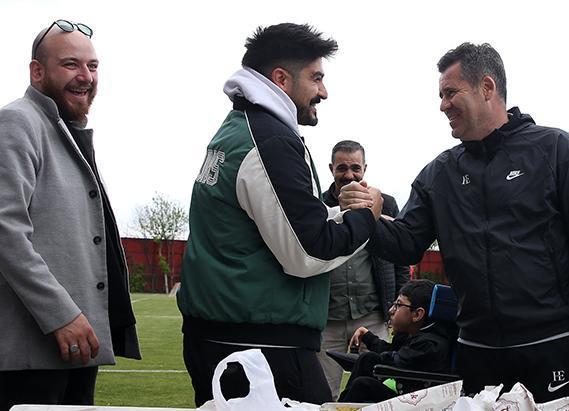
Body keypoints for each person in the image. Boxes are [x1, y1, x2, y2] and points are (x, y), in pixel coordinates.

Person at [340, 42, 569, 402]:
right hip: (477, 350)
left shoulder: (554, 148)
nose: (443, 105)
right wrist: (367, 217)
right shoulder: (440, 172)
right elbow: (406, 243)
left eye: (450, 93)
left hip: (550, 343)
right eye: (441, 96)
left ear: (487, 87)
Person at [176, 23, 382, 406]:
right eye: (316, 78)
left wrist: (338, 214)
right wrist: (366, 216)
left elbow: (279, 226)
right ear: (281, 79)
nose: (323, 91)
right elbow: (308, 251)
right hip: (261, 348)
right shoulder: (269, 139)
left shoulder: (238, 129)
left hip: (227, 336)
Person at [0, 20, 140, 411]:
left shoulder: (61, 128)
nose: (86, 77)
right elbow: (5, 233)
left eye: (92, 66)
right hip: (35, 346)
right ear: (37, 72)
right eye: (70, 64)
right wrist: (60, 316)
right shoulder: (15, 122)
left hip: (76, 343)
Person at [316, 139, 410, 399]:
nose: (349, 175)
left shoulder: (385, 204)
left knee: (373, 389)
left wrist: (398, 304)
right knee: (324, 392)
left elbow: (400, 258)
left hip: (372, 315)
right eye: (342, 168)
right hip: (327, 317)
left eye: (355, 168)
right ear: (331, 169)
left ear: (365, 169)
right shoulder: (317, 205)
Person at [338, 279, 452, 403]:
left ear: (417, 314)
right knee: (368, 359)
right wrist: (367, 336)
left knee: (362, 384)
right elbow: (393, 353)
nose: (391, 310)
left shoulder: (430, 344)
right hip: (408, 395)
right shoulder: (414, 333)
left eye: (398, 305)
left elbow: (394, 360)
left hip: (420, 403)